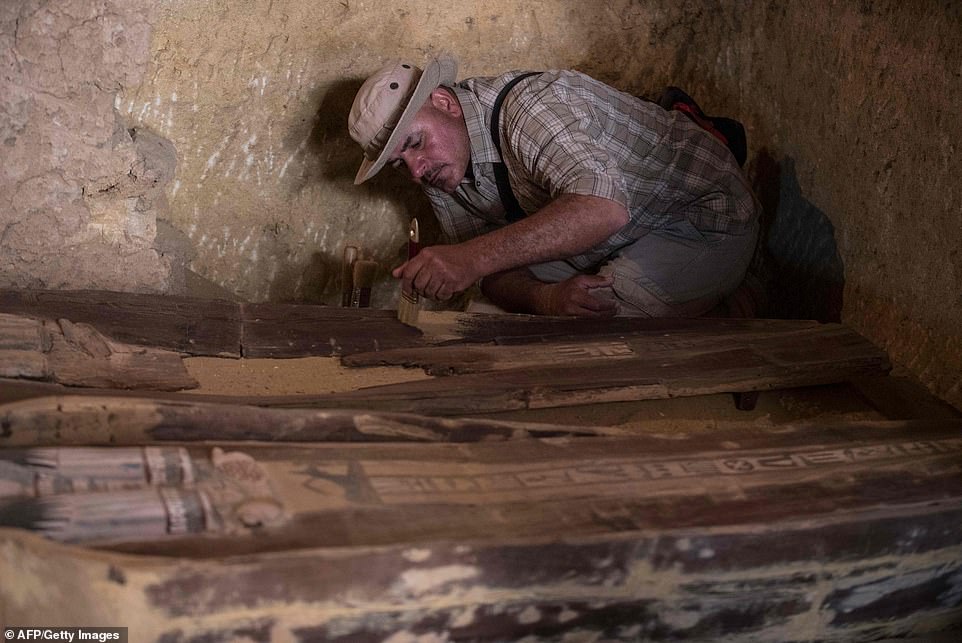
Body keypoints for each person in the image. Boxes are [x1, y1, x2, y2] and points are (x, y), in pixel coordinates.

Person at [348, 54, 760, 318]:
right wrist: (545, 299)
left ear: (444, 103)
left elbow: (603, 208)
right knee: (485, 316)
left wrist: (470, 258)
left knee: (603, 323)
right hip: (606, 238)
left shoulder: (528, 108)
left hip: (695, 216)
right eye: (400, 163)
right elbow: (491, 272)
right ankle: (696, 298)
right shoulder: (438, 167)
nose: (416, 170)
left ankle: (720, 298)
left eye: (415, 143)